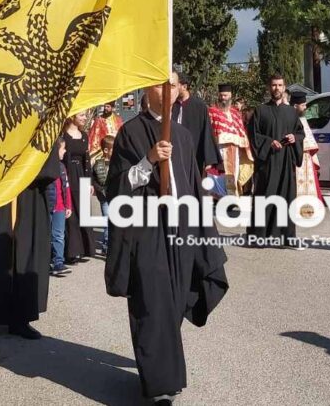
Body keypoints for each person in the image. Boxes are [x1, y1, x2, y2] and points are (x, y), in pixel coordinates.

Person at [105, 71, 229, 404]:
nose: (170, 90)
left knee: (174, 302)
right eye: (163, 84)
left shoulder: (184, 136)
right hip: (147, 231)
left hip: (181, 230)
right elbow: (116, 186)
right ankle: (159, 386)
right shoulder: (131, 132)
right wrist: (148, 161)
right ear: (149, 89)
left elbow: (193, 187)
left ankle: (162, 372)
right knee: (151, 301)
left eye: (173, 85)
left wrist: (204, 233)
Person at [0, 142, 62, 339]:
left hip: (29, 194)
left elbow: (49, 166)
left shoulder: (43, 128)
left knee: (24, 257)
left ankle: (19, 319)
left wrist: (26, 167)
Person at [246, 74, 304, 248]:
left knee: (286, 197)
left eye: (280, 85)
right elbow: (253, 134)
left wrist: (294, 137)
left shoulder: (291, 112)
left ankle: (287, 237)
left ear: (284, 87)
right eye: (273, 85)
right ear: (268, 87)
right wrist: (269, 142)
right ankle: (259, 236)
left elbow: (300, 132)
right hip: (267, 162)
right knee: (265, 196)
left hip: (286, 161)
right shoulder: (260, 110)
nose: (277, 88)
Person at [171, 72, 221, 174]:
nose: (172, 89)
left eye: (175, 86)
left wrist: (209, 160)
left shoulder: (199, 106)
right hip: (173, 153)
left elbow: (207, 132)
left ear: (184, 87)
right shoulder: (171, 105)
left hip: (193, 154)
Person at [208, 84, 253, 196]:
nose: (223, 98)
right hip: (218, 149)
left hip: (234, 150)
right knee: (217, 175)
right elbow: (209, 130)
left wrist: (245, 147)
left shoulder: (235, 113)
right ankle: (218, 197)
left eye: (226, 95)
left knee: (233, 174)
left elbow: (241, 131)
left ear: (230, 95)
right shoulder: (212, 111)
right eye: (221, 95)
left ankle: (231, 197)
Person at [60, 112, 93, 263]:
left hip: (82, 175)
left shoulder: (84, 135)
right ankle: (72, 252)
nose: (85, 118)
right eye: (82, 115)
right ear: (73, 116)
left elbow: (87, 160)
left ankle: (85, 249)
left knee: (84, 211)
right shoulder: (63, 135)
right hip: (68, 175)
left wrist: (90, 181)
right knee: (71, 214)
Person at [290, 92, 323, 217]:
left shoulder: (303, 119)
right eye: (303, 105)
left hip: (306, 157)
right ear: (295, 106)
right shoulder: (289, 119)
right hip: (295, 157)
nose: (305, 108)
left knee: (308, 183)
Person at [49, 143, 73, 278]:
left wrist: (68, 206)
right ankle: (48, 261)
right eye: (63, 148)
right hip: (49, 206)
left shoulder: (62, 167)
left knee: (59, 235)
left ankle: (58, 262)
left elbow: (66, 187)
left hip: (60, 207)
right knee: (48, 235)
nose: (65, 151)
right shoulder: (46, 167)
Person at [91, 134, 114, 253]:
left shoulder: (117, 163)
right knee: (107, 219)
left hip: (115, 196)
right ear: (106, 150)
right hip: (104, 197)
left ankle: (112, 242)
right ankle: (106, 244)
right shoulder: (98, 164)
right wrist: (99, 189)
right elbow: (94, 179)